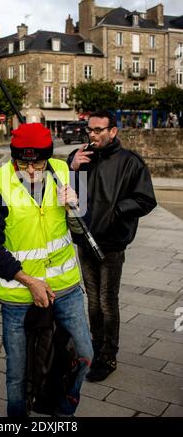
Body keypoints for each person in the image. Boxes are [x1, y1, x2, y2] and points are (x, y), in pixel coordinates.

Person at [0, 123, 93, 417]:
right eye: (23, 162)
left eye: (37, 162)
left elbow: (81, 231)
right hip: (18, 296)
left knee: (84, 355)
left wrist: (75, 208)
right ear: (14, 157)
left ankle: (63, 411)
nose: (30, 170)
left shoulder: (65, 173)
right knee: (18, 374)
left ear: (48, 157)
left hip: (66, 289)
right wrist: (28, 280)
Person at [67, 111, 157, 382]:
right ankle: (96, 347)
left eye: (98, 130)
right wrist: (72, 167)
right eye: (89, 130)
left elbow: (146, 199)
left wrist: (116, 211)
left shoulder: (130, 162)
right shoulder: (80, 158)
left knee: (107, 301)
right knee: (92, 301)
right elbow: (63, 193)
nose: (92, 135)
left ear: (113, 131)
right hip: (85, 239)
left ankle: (108, 356)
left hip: (112, 243)